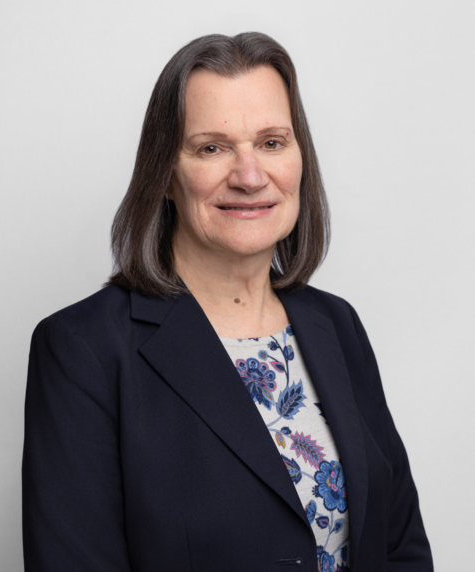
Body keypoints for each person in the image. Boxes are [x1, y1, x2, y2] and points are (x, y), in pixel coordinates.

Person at [22, 32, 433, 572]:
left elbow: (399, 546)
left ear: (300, 159)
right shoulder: (84, 350)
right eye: (211, 148)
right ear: (165, 175)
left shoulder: (336, 324)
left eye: (272, 142)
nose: (250, 176)